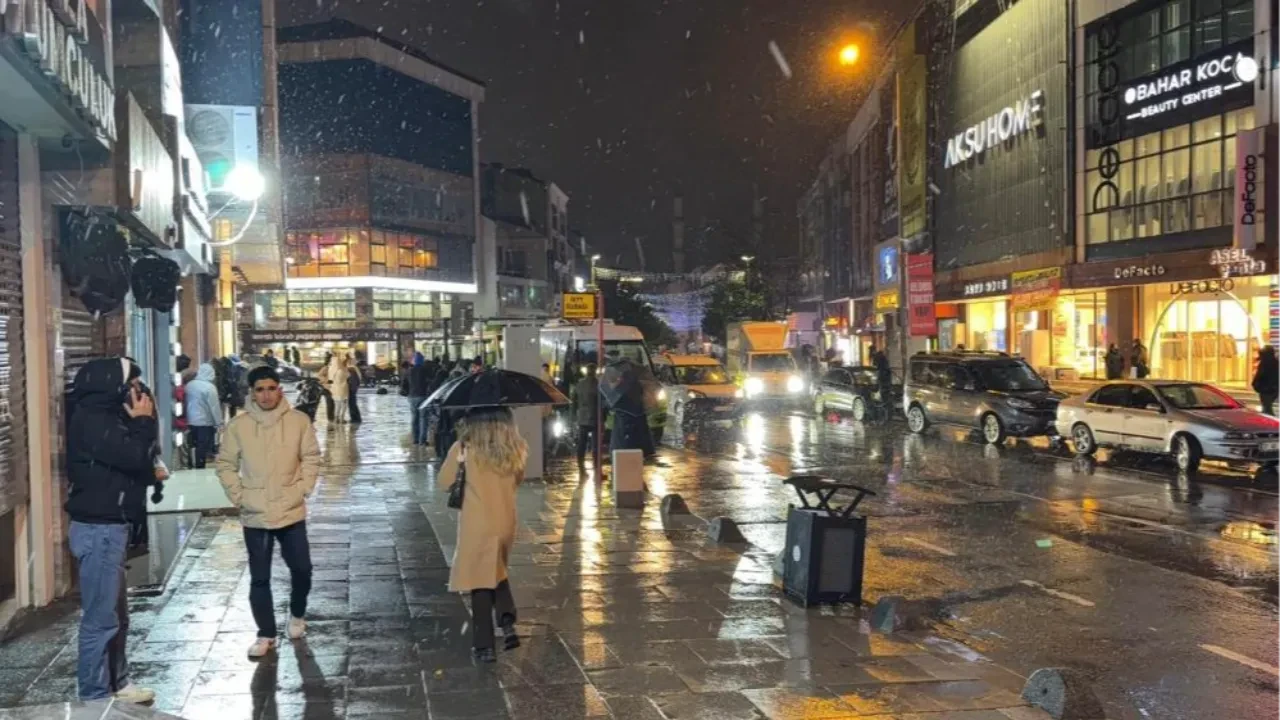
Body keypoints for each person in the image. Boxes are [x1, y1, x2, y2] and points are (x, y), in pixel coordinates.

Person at [65, 358, 160, 704]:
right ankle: (94, 695)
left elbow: (137, 462)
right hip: (98, 529)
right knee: (101, 619)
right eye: (133, 383)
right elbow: (133, 456)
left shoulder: (108, 418)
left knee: (117, 616)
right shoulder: (93, 421)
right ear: (113, 386)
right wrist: (144, 423)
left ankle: (117, 682)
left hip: (110, 527)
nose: (139, 390)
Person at [215, 366, 321, 659]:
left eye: (271, 388)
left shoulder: (299, 421)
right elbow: (225, 464)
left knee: (302, 569)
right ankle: (266, 633)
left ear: (280, 389)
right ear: (252, 393)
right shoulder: (239, 426)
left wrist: (303, 488)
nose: (266, 394)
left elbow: (311, 457)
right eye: (259, 389)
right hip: (255, 511)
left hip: (290, 508)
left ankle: (297, 613)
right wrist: (240, 495)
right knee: (259, 576)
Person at [440, 402, 527, 663]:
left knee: (480, 582)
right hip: (506, 520)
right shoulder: (516, 448)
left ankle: (484, 645)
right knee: (496, 567)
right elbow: (518, 480)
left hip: (478, 523)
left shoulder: (465, 449)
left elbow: (444, 483)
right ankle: (507, 619)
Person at [185, 362, 224, 468]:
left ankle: (191, 463)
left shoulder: (189, 385)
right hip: (205, 422)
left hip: (190, 420)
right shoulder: (210, 388)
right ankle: (200, 465)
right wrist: (219, 422)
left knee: (193, 444)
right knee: (202, 445)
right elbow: (214, 407)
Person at [573, 363, 600, 470]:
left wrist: (573, 417)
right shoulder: (598, 384)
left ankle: (581, 468)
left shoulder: (579, 384)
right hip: (595, 417)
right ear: (595, 371)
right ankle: (597, 467)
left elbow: (574, 402)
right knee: (595, 445)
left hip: (582, 418)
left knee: (582, 444)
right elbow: (602, 402)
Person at [405, 353, 432, 445]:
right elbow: (430, 381)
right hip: (423, 396)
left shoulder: (409, 371)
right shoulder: (425, 370)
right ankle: (422, 441)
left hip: (412, 397)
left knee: (414, 418)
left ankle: (415, 440)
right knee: (423, 418)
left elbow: (404, 384)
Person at [1254, 346, 1280, 415]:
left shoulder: (1264, 363)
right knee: (1267, 407)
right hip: (1273, 389)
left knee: (1267, 407)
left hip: (1265, 389)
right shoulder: (1276, 363)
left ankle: (1272, 422)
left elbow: (1260, 375)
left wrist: (1255, 384)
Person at [327, 354, 351, 424]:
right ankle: (341, 418)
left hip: (334, 389)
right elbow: (348, 375)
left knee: (337, 404)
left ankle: (336, 418)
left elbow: (330, 379)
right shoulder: (342, 370)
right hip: (343, 389)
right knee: (344, 404)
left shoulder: (331, 369)